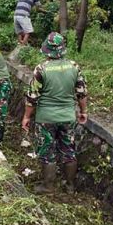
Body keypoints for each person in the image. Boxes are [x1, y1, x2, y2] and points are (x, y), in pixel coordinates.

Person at [21, 32, 88, 194]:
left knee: (47, 151)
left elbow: (32, 97)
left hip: (46, 118)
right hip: (67, 117)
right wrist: (83, 111)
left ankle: (48, 186)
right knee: (68, 151)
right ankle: (70, 185)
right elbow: (82, 92)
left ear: (46, 50)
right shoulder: (74, 66)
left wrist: (26, 117)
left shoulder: (41, 69)